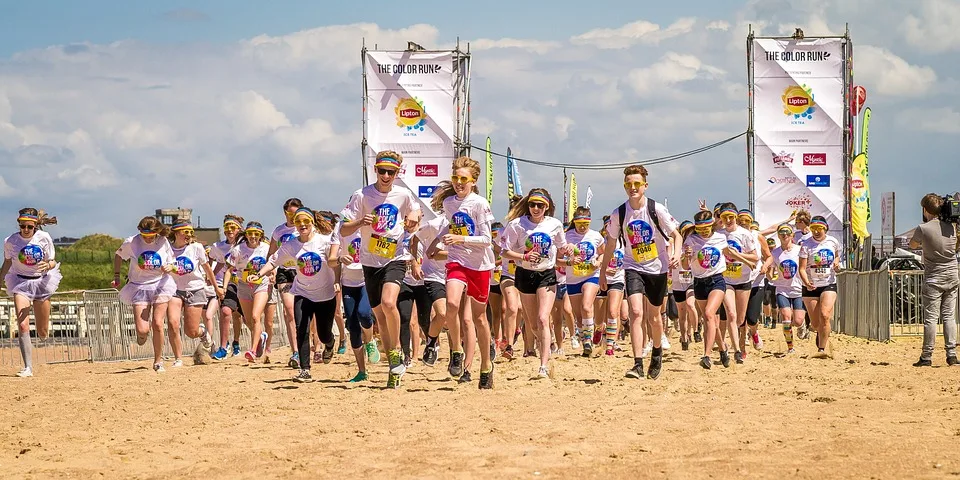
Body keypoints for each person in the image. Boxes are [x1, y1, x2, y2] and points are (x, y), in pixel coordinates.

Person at [339, 150, 421, 388]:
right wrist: (359, 222)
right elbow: (343, 229)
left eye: (391, 172)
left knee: (388, 303)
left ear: (397, 173)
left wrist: (414, 219)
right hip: (369, 261)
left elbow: (415, 211)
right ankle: (393, 362)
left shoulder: (403, 194)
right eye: (382, 170)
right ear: (375, 169)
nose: (386, 175)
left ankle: (396, 353)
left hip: (395, 258)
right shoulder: (361, 195)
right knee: (381, 319)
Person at [599, 165, 681, 380]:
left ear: (645, 186)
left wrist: (677, 254)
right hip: (632, 266)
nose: (632, 188)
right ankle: (637, 363)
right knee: (636, 312)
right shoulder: (620, 212)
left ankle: (656, 352)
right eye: (628, 184)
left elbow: (677, 235)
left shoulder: (656, 209)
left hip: (658, 267)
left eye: (637, 184)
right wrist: (602, 272)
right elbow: (610, 244)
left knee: (654, 317)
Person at [249, 208, 340, 382]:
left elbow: (336, 262)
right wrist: (259, 274)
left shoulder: (324, 242)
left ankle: (329, 344)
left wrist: (337, 279)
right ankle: (304, 369)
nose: (302, 225)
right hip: (302, 292)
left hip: (325, 295)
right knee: (302, 329)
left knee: (324, 333)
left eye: (305, 221)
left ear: (312, 223)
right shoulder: (291, 245)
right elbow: (273, 261)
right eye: (298, 222)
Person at [429, 157, 496, 388]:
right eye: (455, 178)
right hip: (457, 259)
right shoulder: (449, 203)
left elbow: (487, 240)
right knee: (452, 304)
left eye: (463, 179)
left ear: (473, 181)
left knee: (479, 318)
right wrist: (436, 241)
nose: (459, 182)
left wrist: (460, 238)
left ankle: (486, 364)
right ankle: (456, 351)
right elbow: (452, 224)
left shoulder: (480, 203)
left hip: (480, 265)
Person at [500, 188, 572, 378]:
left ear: (546, 207)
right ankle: (545, 343)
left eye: (540, 205)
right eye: (532, 204)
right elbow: (504, 252)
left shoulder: (554, 225)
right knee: (533, 325)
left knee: (542, 318)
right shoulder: (517, 225)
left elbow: (562, 248)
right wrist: (524, 255)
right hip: (524, 274)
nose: (536, 208)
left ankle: (543, 367)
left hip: (547, 274)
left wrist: (570, 250)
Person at [113, 216, 178, 372]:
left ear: (156, 232)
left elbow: (172, 261)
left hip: (160, 284)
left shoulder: (162, 241)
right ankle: (142, 336)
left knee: (157, 323)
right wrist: (116, 275)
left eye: (151, 236)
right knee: (143, 329)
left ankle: (158, 361)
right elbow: (118, 255)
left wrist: (169, 267)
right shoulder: (132, 242)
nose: (148, 240)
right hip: (138, 286)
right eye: (145, 236)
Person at [1, 208, 61, 377]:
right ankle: (28, 367)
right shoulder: (11, 241)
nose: (25, 230)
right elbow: (7, 262)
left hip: (42, 282)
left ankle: (43, 333)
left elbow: (52, 260)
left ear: (35, 226)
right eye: (22, 226)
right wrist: (0, 279)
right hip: (20, 282)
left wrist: (48, 265)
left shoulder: (44, 238)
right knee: (22, 324)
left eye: (29, 227)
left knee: (42, 331)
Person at [909, 194, 959, 366]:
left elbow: (912, 245)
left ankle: (927, 356)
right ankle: (951, 355)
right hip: (952, 275)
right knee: (949, 316)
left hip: (934, 278)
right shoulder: (952, 227)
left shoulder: (923, 228)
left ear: (925, 209)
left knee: (931, 318)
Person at [682, 210, 733, 369]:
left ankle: (706, 355)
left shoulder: (720, 237)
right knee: (710, 321)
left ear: (712, 226)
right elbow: (685, 266)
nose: (704, 232)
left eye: (706, 228)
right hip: (699, 282)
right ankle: (723, 349)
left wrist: (748, 260)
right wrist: (687, 256)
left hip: (717, 280)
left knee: (710, 314)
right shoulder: (691, 240)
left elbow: (730, 254)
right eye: (700, 229)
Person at [167, 221, 220, 365]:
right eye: (185, 232)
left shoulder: (196, 248)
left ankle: (203, 333)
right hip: (174, 290)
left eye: (190, 232)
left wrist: (216, 288)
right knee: (173, 323)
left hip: (195, 289)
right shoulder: (167, 249)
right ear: (176, 233)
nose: (188, 235)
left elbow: (207, 269)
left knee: (191, 332)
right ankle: (178, 358)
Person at [223, 221, 272, 363]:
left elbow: (272, 264)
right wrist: (224, 288)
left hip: (261, 284)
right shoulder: (238, 250)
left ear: (261, 235)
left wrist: (272, 274)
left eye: (256, 234)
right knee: (248, 320)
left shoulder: (266, 248)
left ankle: (252, 349)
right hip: (243, 285)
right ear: (246, 235)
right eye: (250, 234)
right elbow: (228, 269)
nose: (253, 237)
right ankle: (261, 337)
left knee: (256, 317)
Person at [268, 198, 307, 369]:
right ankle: (296, 352)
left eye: (295, 213)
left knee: (306, 311)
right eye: (289, 213)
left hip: (304, 270)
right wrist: (271, 270)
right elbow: (271, 252)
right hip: (285, 272)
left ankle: (314, 345)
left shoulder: (305, 228)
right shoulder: (279, 231)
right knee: (290, 311)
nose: (292, 217)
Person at [339, 218, 379, 382]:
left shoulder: (371, 229)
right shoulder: (340, 231)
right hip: (348, 282)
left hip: (365, 281)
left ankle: (370, 340)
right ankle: (362, 371)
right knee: (353, 327)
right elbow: (333, 256)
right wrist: (341, 258)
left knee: (364, 313)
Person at [563, 207, 604, 357]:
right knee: (578, 316)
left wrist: (598, 262)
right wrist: (570, 261)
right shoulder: (566, 236)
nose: (582, 226)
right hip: (573, 278)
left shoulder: (596, 236)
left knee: (586, 307)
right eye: (579, 223)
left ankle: (588, 340)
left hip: (591, 275)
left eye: (585, 223)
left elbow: (603, 253)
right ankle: (584, 340)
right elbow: (557, 259)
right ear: (574, 221)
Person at [798, 216, 841, 358]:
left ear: (825, 228)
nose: (816, 232)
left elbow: (836, 256)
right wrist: (806, 282)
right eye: (813, 229)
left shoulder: (833, 242)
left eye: (819, 229)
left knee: (825, 315)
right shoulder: (806, 244)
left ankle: (822, 349)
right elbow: (802, 268)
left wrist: (836, 262)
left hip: (828, 283)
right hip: (811, 285)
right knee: (816, 323)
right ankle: (819, 332)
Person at [763, 224, 805, 354]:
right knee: (786, 318)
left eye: (787, 233)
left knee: (797, 321)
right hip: (782, 289)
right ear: (778, 236)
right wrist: (769, 275)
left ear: (792, 235)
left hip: (798, 289)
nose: (784, 235)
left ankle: (802, 326)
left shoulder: (800, 250)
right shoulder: (775, 253)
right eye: (782, 233)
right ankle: (790, 347)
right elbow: (770, 270)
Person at [208, 214, 246, 359]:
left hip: (245, 283)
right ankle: (224, 347)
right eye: (227, 228)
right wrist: (210, 276)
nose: (230, 230)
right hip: (227, 283)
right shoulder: (219, 246)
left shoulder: (245, 244)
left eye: (233, 227)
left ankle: (239, 342)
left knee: (242, 317)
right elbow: (212, 260)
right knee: (225, 311)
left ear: (239, 229)